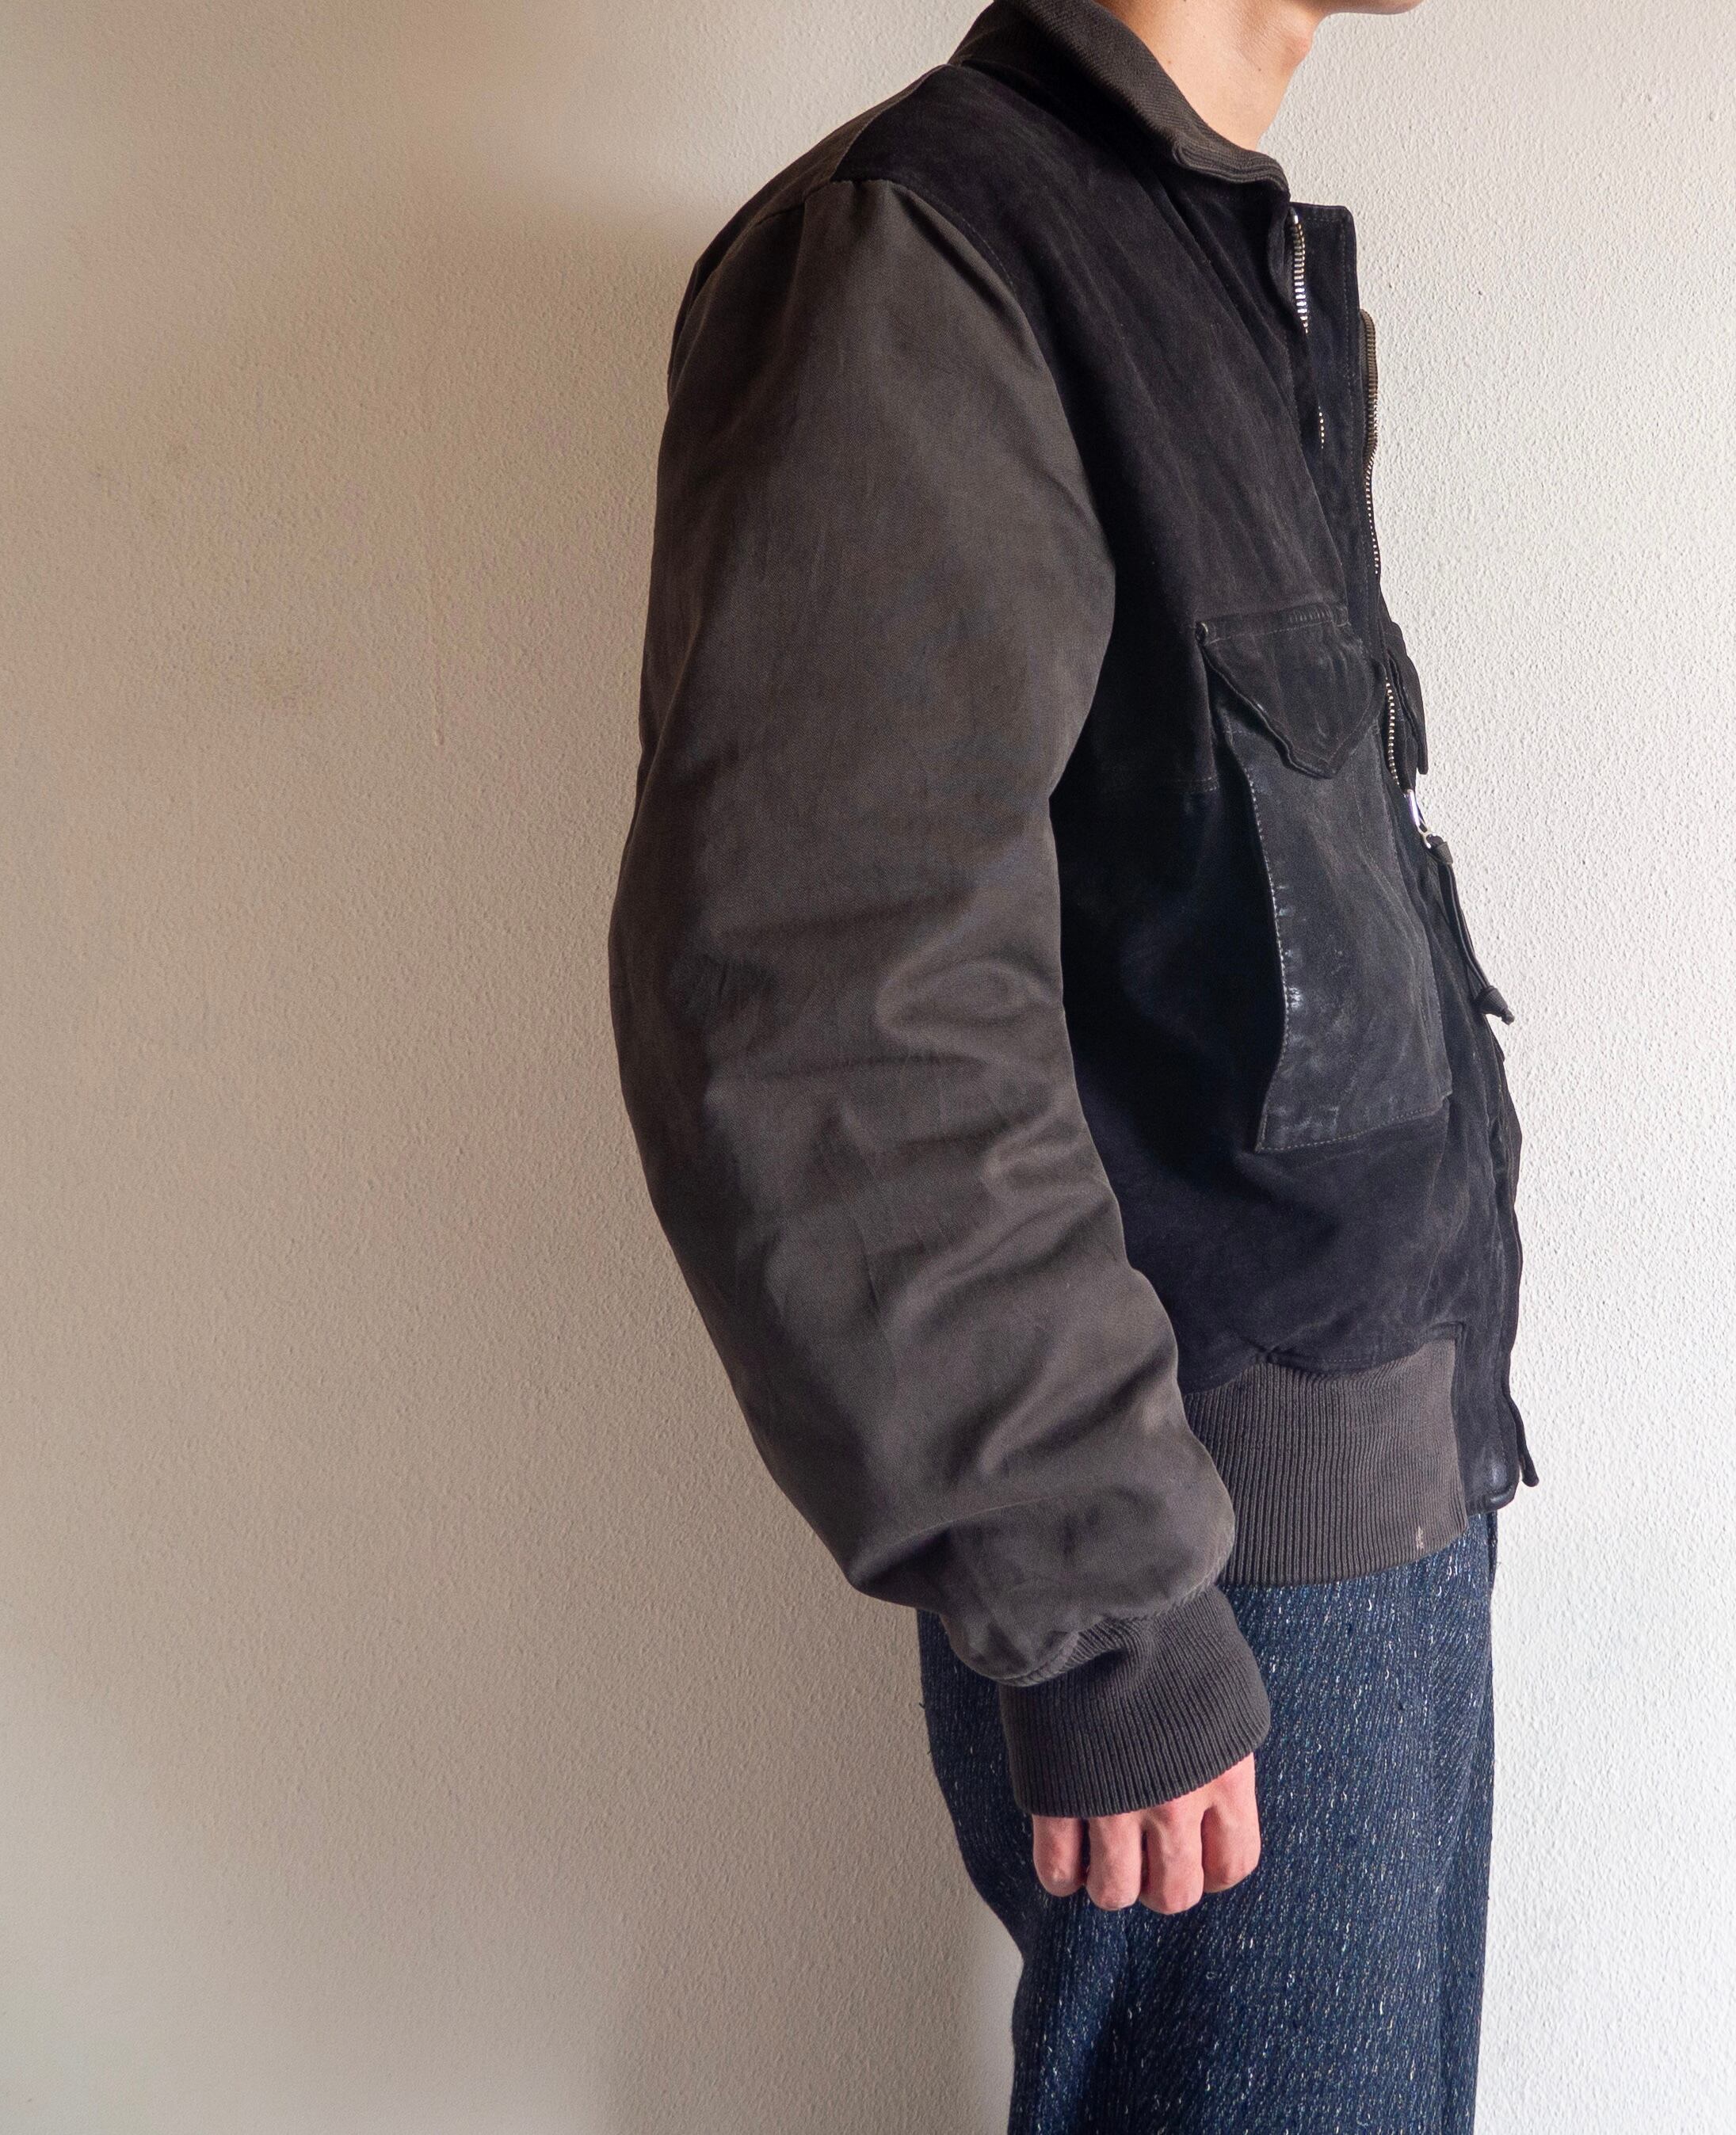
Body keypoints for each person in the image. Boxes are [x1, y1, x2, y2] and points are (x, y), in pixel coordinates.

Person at [607, 0, 1536, 2123]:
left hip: (1364, 1501)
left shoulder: (1194, 255)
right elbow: (830, 988)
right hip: (1204, 1556)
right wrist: (1104, 1601)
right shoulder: (934, 247)